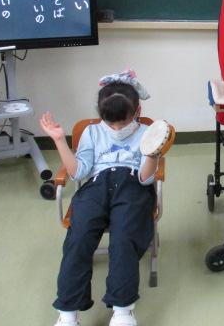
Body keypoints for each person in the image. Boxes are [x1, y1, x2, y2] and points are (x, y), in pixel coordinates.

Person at [39, 70, 158, 326]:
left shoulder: (149, 132)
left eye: (123, 122)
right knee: (78, 239)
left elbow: (146, 179)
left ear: (137, 111)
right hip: (95, 186)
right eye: (110, 123)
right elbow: (78, 172)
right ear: (101, 115)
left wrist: (153, 152)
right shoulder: (92, 132)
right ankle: (68, 312)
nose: (116, 129)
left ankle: (123, 309)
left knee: (123, 239)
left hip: (132, 186)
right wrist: (59, 141)